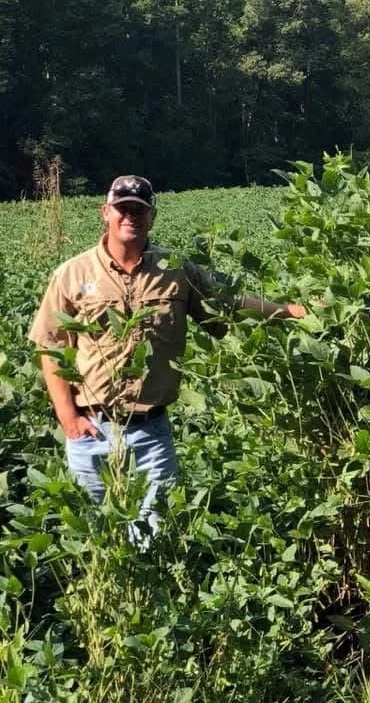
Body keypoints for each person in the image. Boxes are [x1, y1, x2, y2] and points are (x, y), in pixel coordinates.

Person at [28, 175, 306, 520]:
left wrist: (292, 312)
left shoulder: (175, 269)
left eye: (140, 210)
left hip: (151, 431)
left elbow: (227, 305)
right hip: (92, 430)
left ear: (152, 217)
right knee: (99, 536)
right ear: (105, 212)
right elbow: (50, 346)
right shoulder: (72, 273)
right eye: (123, 208)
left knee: (156, 535)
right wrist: (68, 417)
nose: (131, 216)